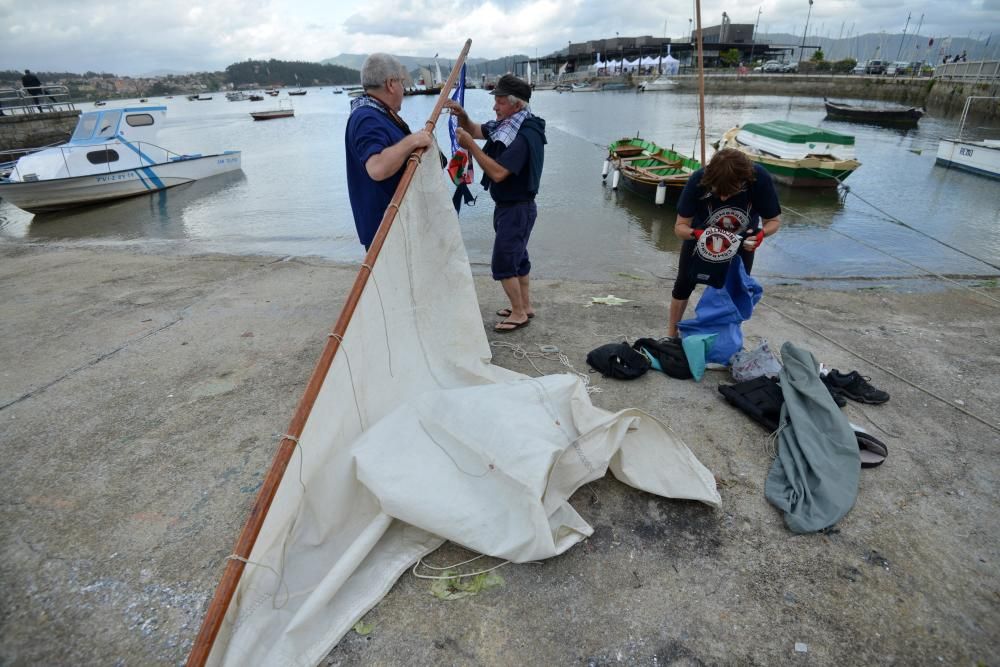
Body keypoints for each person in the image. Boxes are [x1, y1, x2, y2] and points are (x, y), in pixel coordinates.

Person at [444, 74, 547, 333]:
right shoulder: (507, 125)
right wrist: (461, 115)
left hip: (518, 208)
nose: (495, 107)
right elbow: (476, 129)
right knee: (518, 259)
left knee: (503, 263)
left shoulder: (524, 135)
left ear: (517, 105)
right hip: (511, 208)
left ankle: (519, 313)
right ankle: (525, 305)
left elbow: (499, 173)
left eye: (500, 102)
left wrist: (471, 147)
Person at [667, 148, 782, 338]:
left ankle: (728, 339)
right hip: (702, 240)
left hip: (741, 243)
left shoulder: (759, 178)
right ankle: (671, 335)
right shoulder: (699, 179)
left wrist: (760, 235)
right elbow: (680, 227)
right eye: (717, 192)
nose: (722, 198)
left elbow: (774, 221)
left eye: (729, 193)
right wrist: (696, 234)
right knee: (683, 285)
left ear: (744, 181)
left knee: (738, 291)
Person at [345, 53, 433, 251]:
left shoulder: (378, 114)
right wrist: (413, 140)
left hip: (394, 229)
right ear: (391, 84)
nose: (403, 88)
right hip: (386, 234)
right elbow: (377, 168)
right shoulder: (367, 118)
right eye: (402, 82)